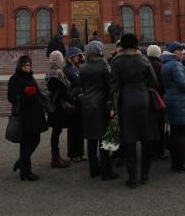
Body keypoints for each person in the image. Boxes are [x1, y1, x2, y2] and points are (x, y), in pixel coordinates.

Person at [110, 33, 159, 188]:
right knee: (146, 137)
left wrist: (112, 105)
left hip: (126, 100)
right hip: (143, 99)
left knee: (129, 138)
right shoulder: (143, 59)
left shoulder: (117, 61)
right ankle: (145, 174)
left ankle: (132, 178)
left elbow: (114, 86)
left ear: (123, 45)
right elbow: (154, 82)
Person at [80, 41, 119, 180]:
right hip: (101, 105)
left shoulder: (82, 66)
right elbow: (110, 85)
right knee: (104, 139)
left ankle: (94, 170)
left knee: (91, 139)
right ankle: (106, 171)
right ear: (99, 50)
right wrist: (112, 104)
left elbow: (83, 87)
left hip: (87, 105)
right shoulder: (103, 64)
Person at [7, 55, 47, 181]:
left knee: (35, 139)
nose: (27, 67)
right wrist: (25, 94)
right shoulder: (14, 79)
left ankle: (21, 163)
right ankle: (26, 171)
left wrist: (44, 98)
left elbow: (37, 93)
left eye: (29, 65)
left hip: (35, 114)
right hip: (25, 115)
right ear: (20, 66)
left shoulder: (31, 76)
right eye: (25, 65)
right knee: (26, 143)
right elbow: (11, 97)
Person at [162, 42, 185, 173]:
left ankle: (175, 164)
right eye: (179, 50)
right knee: (180, 135)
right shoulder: (175, 64)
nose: (182, 52)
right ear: (173, 52)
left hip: (171, 99)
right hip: (179, 101)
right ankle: (181, 164)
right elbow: (182, 84)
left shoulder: (166, 63)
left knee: (175, 134)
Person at [45, 50, 73, 168]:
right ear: (59, 60)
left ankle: (56, 157)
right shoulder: (58, 73)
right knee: (56, 132)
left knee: (56, 132)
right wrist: (72, 101)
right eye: (61, 59)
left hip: (53, 106)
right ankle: (56, 159)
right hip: (59, 107)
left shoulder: (49, 72)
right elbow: (63, 92)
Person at [64, 47, 85, 162]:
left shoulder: (77, 68)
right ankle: (73, 154)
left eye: (78, 56)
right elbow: (67, 87)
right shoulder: (67, 70)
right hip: (73, 102)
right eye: (75, 56)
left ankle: (80, 153)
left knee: (80, 128)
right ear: (70, 57)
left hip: (80, 102)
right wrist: (76, 92)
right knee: (73, 130)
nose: (77, 57)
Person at [147, 44, 166, 158]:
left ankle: (151, 150)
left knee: (150, 126)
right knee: (160, 126)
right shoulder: (161, 66)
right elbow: (163, 85)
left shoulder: (145, 65)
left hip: (147, 100)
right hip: (159, 100)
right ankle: (159, 151)